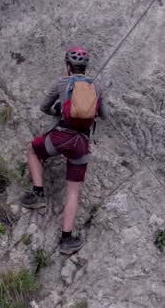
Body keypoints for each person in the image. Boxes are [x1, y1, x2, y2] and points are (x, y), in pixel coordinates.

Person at [19, 46, 108, 255]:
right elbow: (104, 115)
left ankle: (38, 193)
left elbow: (44, 107)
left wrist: (58, 109)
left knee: (32, 149)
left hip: (61, 137)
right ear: (85, 67)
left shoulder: (62, 83)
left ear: (68, 66)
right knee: (73, 192)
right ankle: (66, 240)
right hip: (81, 144)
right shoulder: (97, 86)